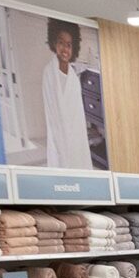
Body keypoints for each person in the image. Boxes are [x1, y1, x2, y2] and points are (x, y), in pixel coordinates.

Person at [39, 18, 97, 169]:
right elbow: (51, 109)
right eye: (61, 43)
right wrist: (61, 136)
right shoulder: (49, 72)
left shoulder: (72, 75)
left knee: (79, 161)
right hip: (59, 132)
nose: (65, 49)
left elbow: (77, 110)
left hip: (76, 132)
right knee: (63, 163)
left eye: (69, 45)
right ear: (54, 43)